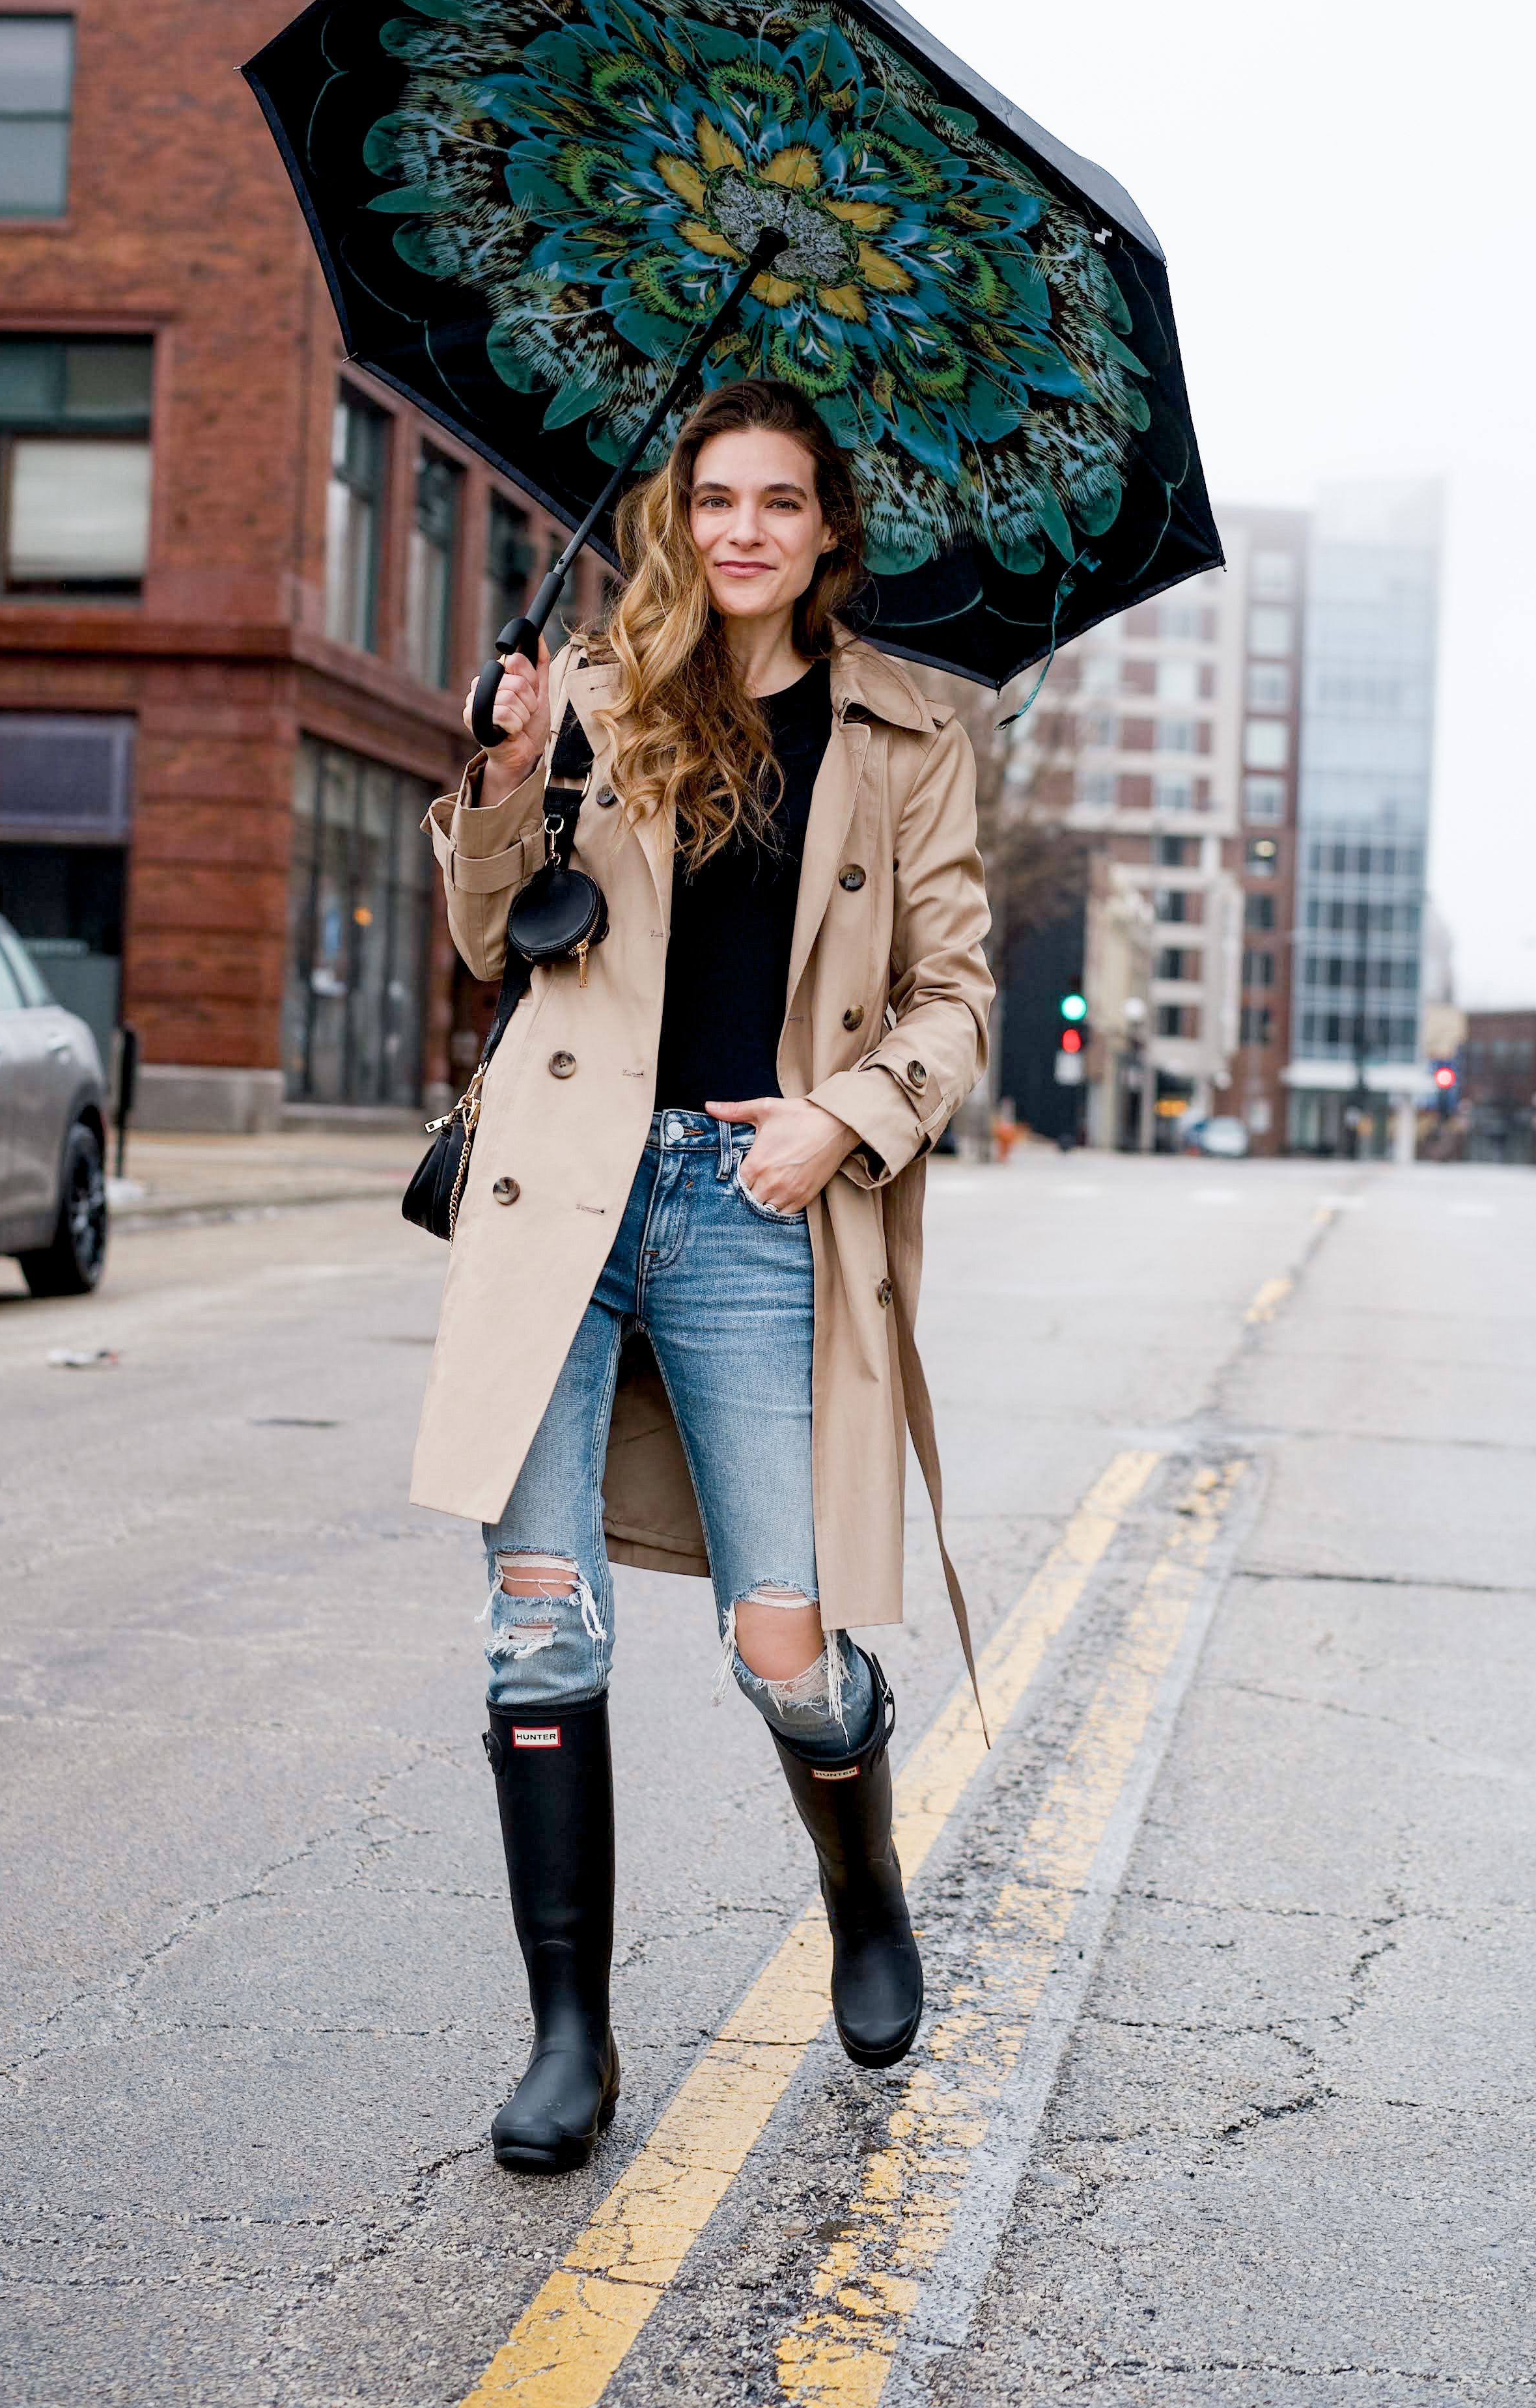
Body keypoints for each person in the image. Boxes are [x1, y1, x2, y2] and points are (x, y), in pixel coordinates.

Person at [416, 377, 993, 2173]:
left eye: (780, 501)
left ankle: (864, 1887)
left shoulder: (903, 736)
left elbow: (957, 998)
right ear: (679, 513)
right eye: (716, 497)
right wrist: (504, 769)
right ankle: (568, 2038)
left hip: (755, 1198)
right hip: (562, 1197)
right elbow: (484, 932)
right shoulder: (593, 694)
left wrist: (840, 1116)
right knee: (539, 1620)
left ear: (827, 530)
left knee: (781, 1644)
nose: (743, 527)